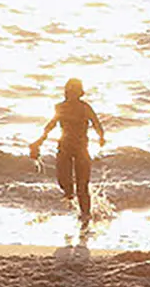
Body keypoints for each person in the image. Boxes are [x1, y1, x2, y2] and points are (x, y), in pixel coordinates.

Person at [30, 79, 105, 222]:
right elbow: (50, 125)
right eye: (70, 90)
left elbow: (96, 123)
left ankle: (86, 216)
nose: (72, 93)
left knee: (82, 186)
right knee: (63, 180)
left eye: (75, 90)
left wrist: (101, 136)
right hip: (64, 147)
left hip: (81, 149)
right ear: (66, 92)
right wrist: (39, 141)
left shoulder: (85, 108)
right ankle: (69, 194)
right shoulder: (60, 107)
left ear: (80, 92)